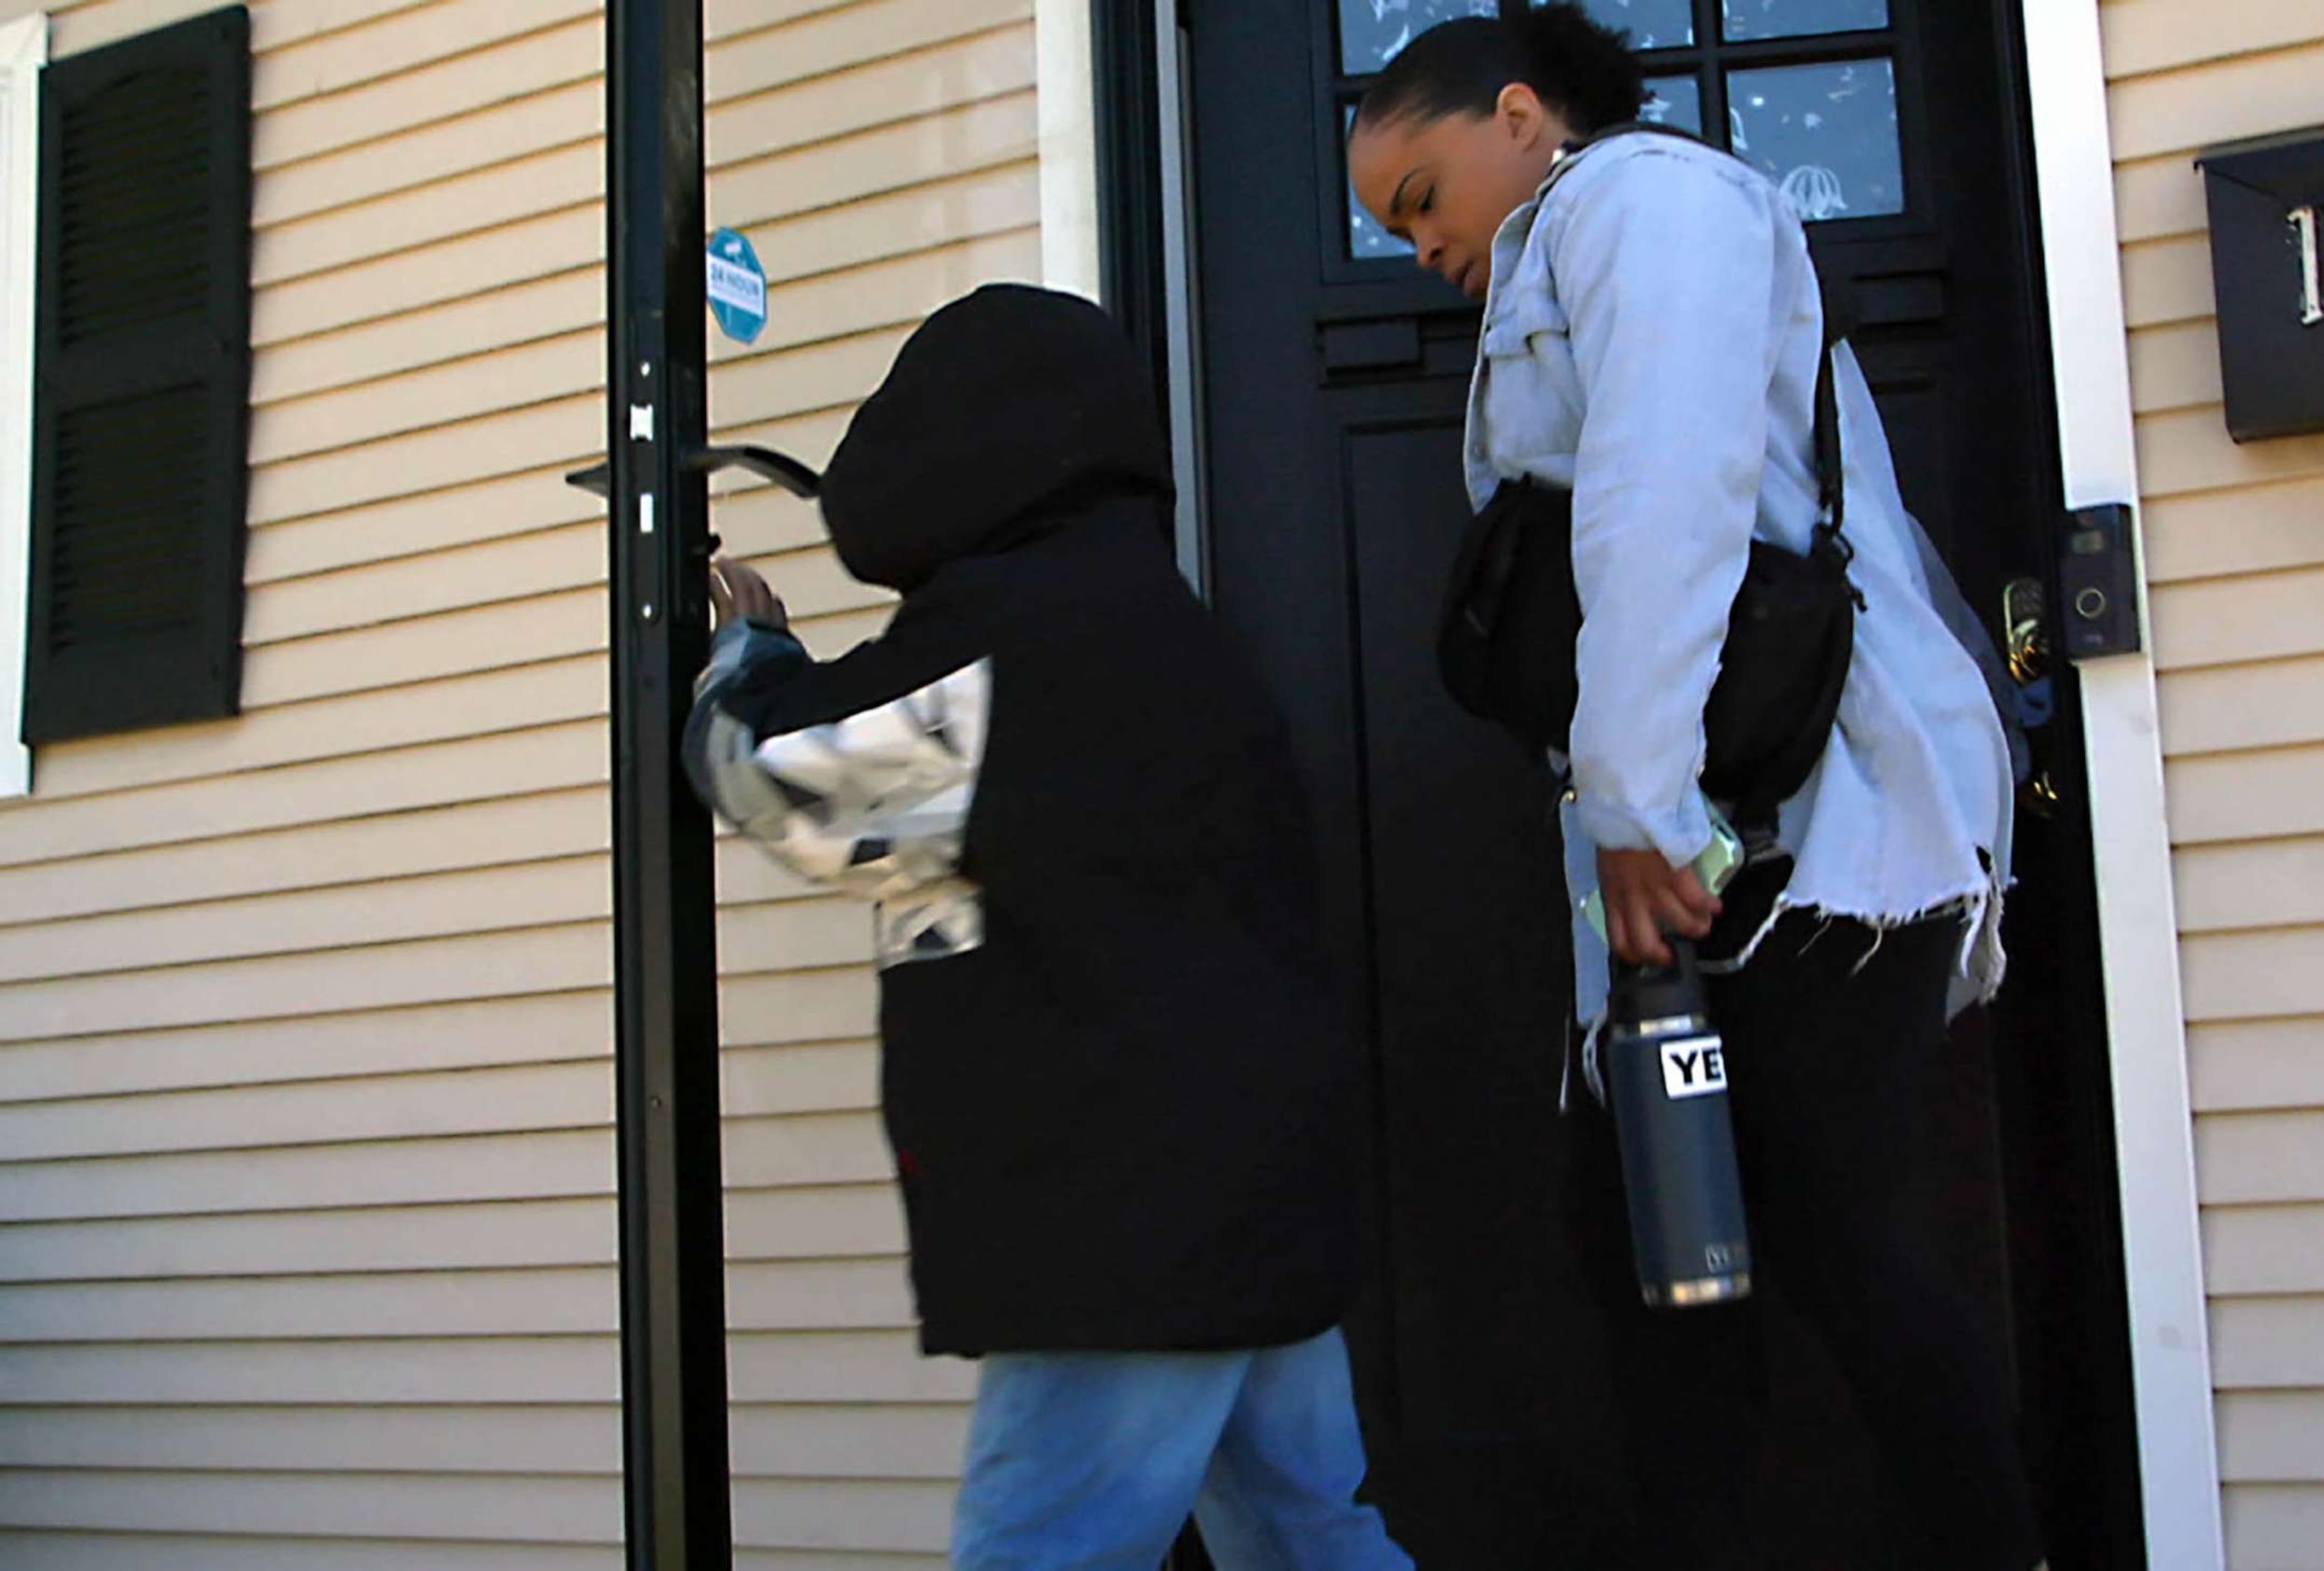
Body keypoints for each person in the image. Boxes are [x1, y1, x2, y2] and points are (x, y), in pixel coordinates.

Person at [1349, 10, 2042, 1570]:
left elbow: (1665, 498)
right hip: (1724, 838)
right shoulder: (1574, 243)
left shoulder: (1642, 204)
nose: (1416, 249)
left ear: (1518, 117)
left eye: (1417, 199)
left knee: (1825, 1237)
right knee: (1659, 1253)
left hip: (1819, 832)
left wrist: (1633, 809)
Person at [683, 284, 1414, 1571]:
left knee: (1046, 1551)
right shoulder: (1146, 619)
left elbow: (781, 780)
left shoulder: (1015, 641)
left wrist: (745, 659)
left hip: (1120, 1226)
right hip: (1243, 1201)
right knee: (1310, 1539)